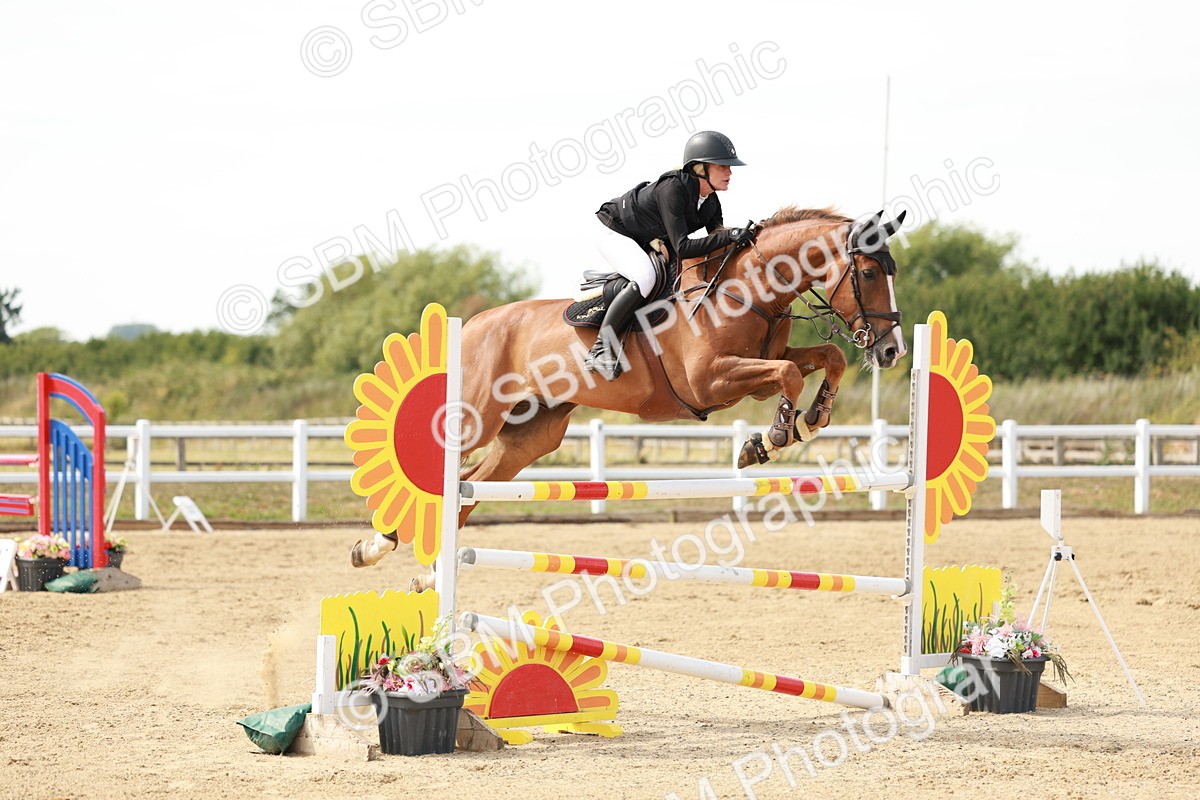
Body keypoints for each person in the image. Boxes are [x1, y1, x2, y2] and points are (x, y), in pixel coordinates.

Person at [585, 130, 755, 380]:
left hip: (646, 233)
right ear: (700, 168)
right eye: (723, 166)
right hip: (612, 229)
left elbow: (715, 243)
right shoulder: (673, 189)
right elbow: (684, 247)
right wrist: (730, 236)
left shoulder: (710, 200)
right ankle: (600, 350)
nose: (730, 172)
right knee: (646, 277)